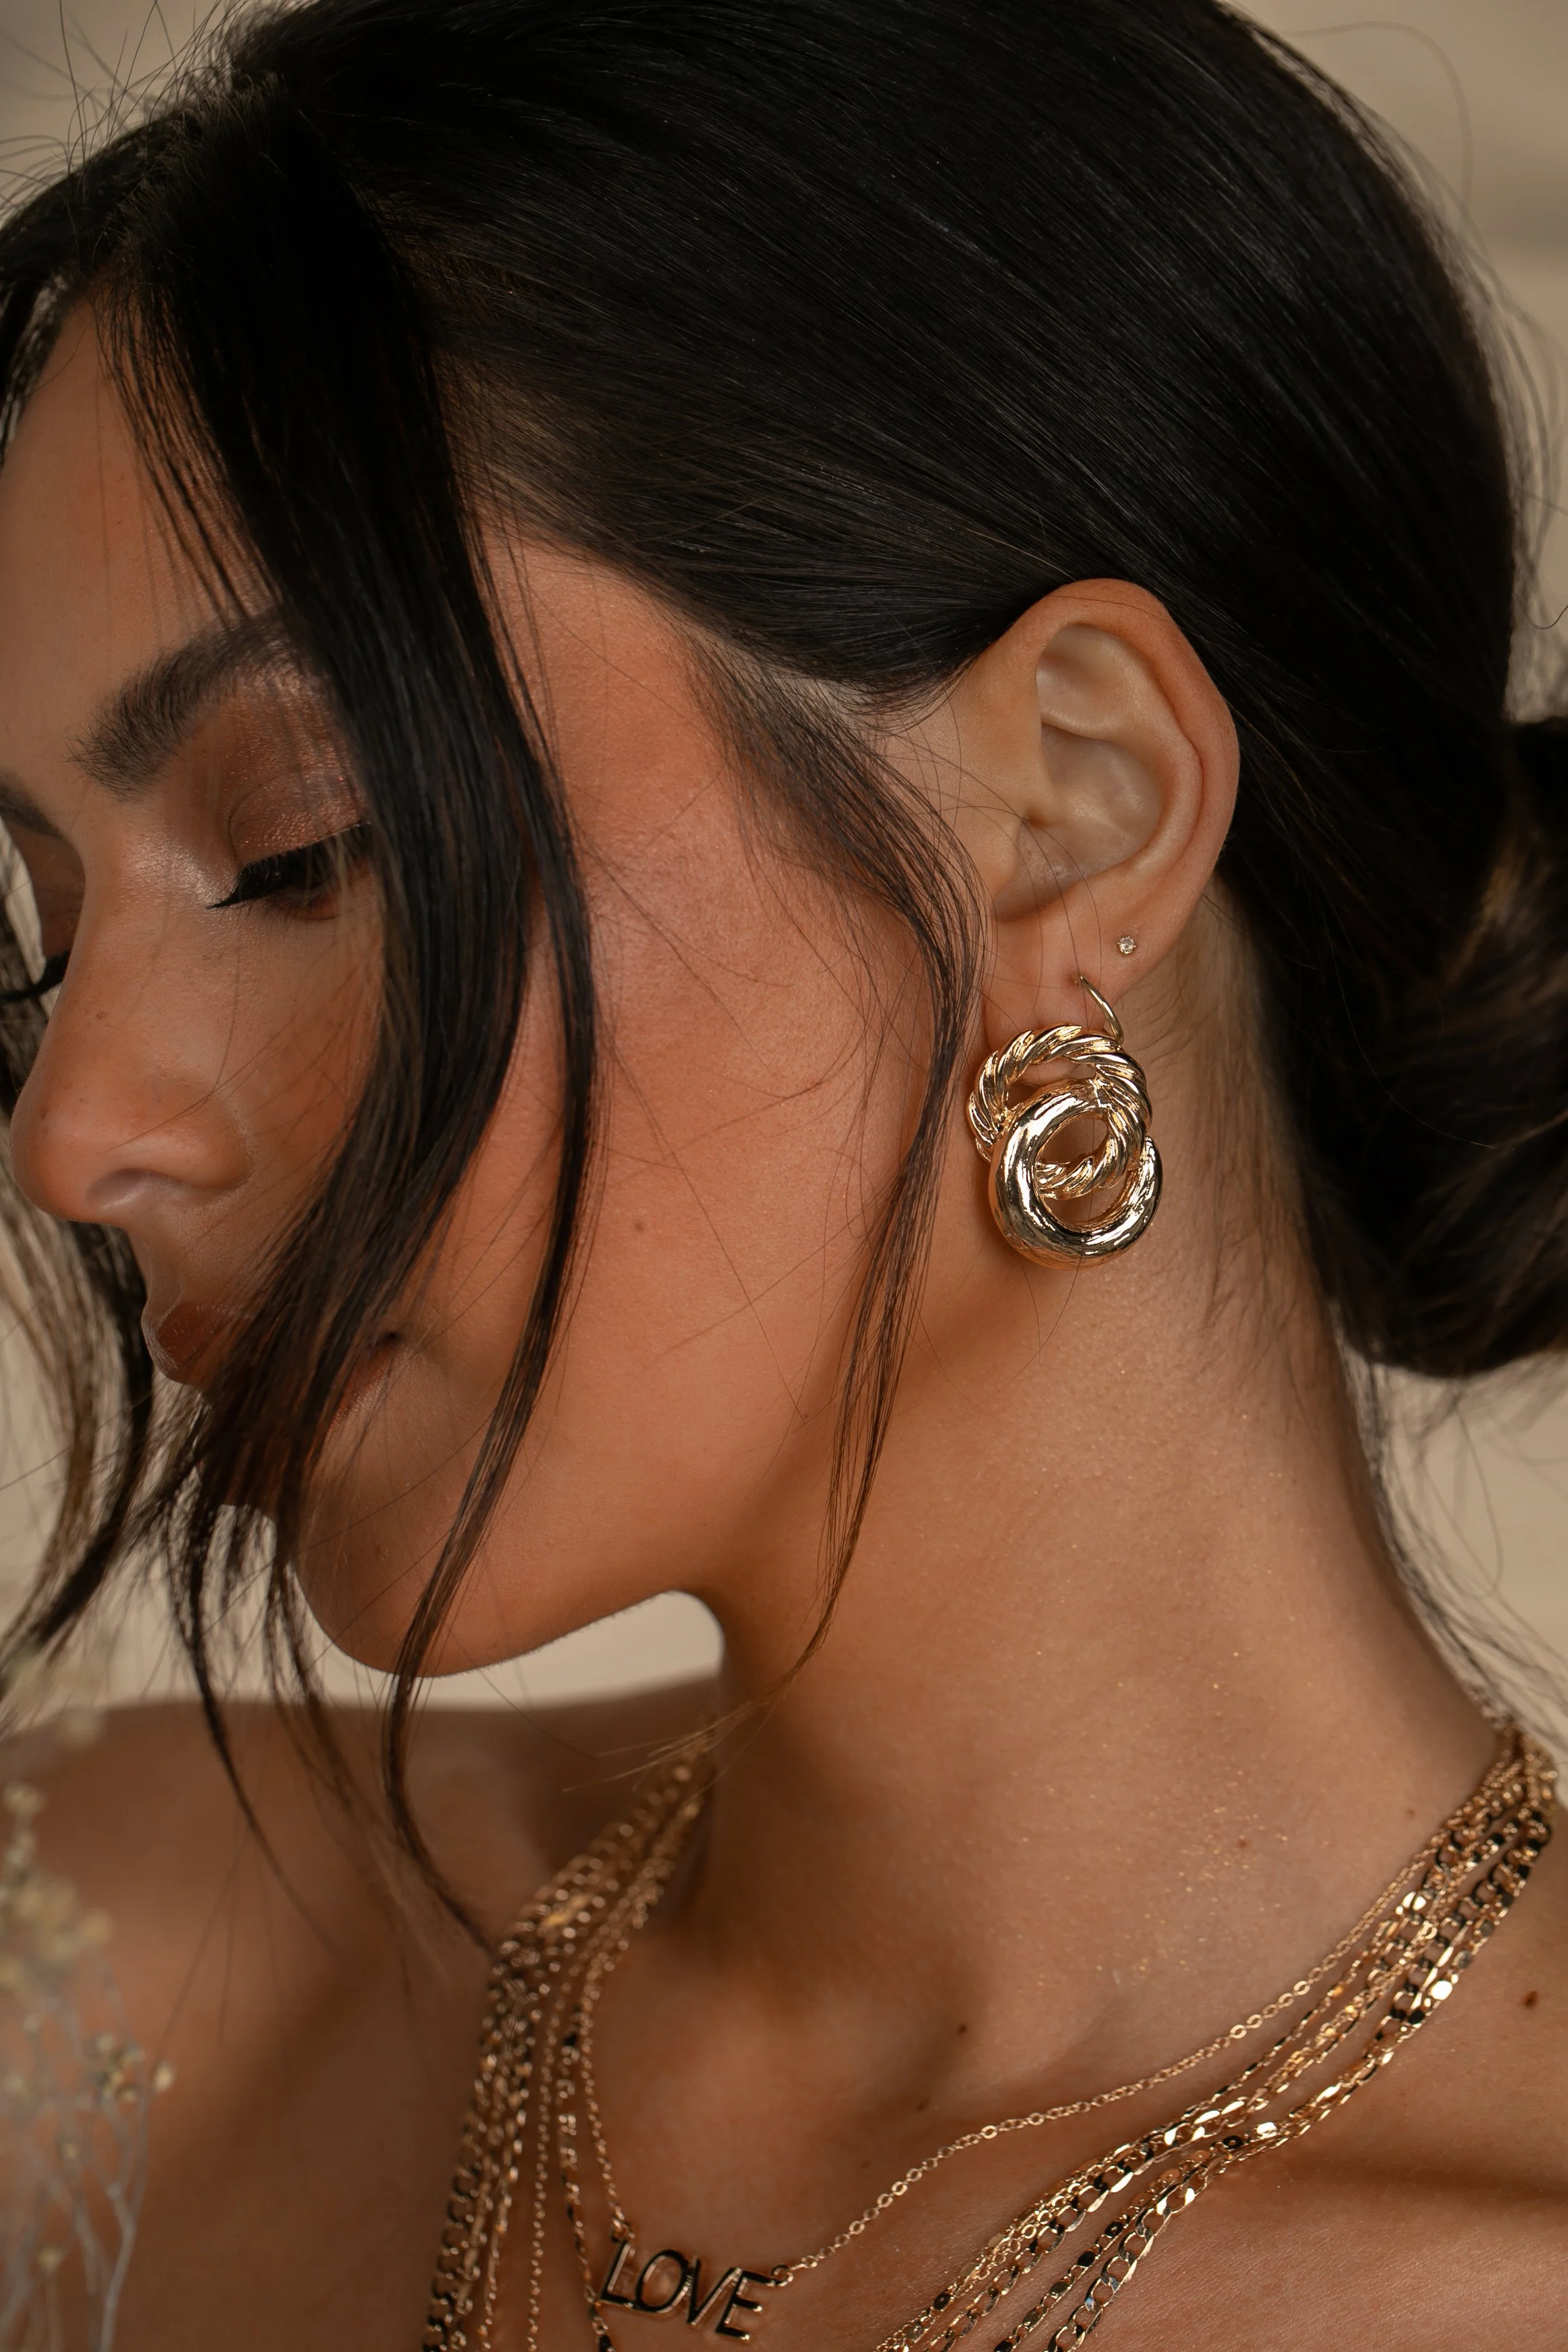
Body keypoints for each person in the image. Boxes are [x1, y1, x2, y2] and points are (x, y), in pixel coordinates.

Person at [0, 0, 1564, 2342]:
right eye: (44, 936)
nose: (75, 1126)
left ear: (1075, 810)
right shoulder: (98, 2001)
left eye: (298, 844)